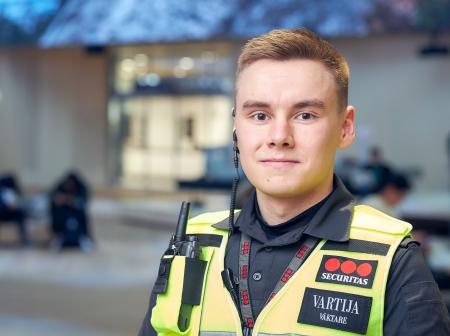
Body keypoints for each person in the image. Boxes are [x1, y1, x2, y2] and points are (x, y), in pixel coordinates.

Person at [139, 28, 450, 335]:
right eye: (260, 115)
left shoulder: (391, 259)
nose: (279, 137)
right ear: (237, 128)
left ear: (345, 127)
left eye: (305, 115)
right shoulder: (192, 243)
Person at [49, 171, 93, 251]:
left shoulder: (81, 188)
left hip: (77, 215)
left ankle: (84, 238)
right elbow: (54, 198)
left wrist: (67, 199)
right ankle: (59, 237)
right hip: (63, 215)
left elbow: (81, 202)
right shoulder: (60, 187)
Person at [0, 173, 29, 246]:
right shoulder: (4, 190)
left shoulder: (10, 191)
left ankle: (24, 238)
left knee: (20, 214)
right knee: (20, 213)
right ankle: (24, 239)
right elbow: (10, 205)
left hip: (8, 213)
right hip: (2, 212)